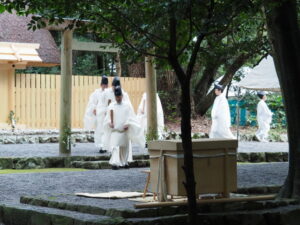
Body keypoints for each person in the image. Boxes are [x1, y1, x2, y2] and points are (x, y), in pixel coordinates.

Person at [103, 86, 145, 170]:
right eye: (116, 96)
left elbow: (131, 117)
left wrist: (128, 124)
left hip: (124, 130)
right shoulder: (111, 105)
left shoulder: (127, 105)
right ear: (115, 96)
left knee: (124, 148)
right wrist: (110, 123)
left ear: (122, 96)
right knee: (115, 147)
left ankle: (124, 162)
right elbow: (107, 118)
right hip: (115, 130)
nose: (118, 98)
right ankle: (115, 163)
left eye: (119, 96)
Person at [83, 75, 108, 153]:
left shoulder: (109, 92)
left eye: (106, 85)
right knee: (99, 130)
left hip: (107, 113)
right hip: (99, 113)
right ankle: (101, 146)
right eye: (103, 84)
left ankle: (106, 145)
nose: (105, 86)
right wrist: (93, 109)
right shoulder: (96, 92)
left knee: (106, 130)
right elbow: (92, 102)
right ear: (101, 85)